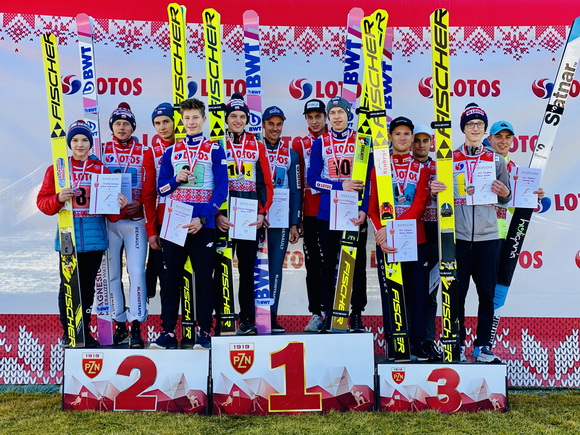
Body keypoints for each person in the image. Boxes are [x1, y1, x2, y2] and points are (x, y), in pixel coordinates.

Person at [37, 120, 128, 348]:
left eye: (84, 140)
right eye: (75, 140)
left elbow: (112, 216)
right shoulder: (58, 169)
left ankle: (84, 332)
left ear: (90, 143)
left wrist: (120, 205)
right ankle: (69, 333)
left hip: (94, 239)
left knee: (87, 288)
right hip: (68, 238)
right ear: (69, 143)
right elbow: (43, 204)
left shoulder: (100, 169)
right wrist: (58, 198)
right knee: (68, 287)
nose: (80, 144)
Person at [151, 98, 228, 349]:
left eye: (195, 117)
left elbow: (222, 190)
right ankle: (167, 332)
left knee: (204, 278)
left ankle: (204, 331)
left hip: (202, 224)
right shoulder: (171, 151)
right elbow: (161, 190)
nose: (191, 122)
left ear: (204, 119)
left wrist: (203, 218)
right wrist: (176, 179)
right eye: (187, 118)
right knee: (170, 279)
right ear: (181, 121)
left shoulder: (215, 149)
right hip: (176, 222)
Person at [367, 116, 436, 360]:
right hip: (387, 243)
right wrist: (381, 233)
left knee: (418, 295)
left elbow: (418, 207)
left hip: (415, 241)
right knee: (391, 295)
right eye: (398, 133)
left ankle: (416, 344)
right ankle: (394, 343)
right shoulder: (379, 168)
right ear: (390, 137)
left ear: (412, 137)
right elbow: (372, 208)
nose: (403, 138)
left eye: (407, 133)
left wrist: (391, 228)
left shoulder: (423, 169)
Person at [451, 103, 512, 363]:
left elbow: (506, 198)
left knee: (486, 294)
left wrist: (504, 193)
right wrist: (437, 190)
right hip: (459, 237)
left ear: (485, 129)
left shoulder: (496, 159)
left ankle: (483, 347)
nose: (475, 128)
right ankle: (455, 345)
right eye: (470, 124)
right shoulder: (450, 158)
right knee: (457, 295)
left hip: (488, 237)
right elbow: (441, 198)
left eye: (479, 124)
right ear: (463, 128)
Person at [307, 96, 369, 333]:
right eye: (332, 113)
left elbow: (370, 180)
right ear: (328, 117)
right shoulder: (320, 143)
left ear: (347, 115)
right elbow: (312, 180)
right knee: (328, 265)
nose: (336, 117)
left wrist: (365, 210)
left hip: (354, 212)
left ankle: (356, 314)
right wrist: (339, 185)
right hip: (328, 213)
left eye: (340, 112)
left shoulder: (361, 141)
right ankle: (329, 314)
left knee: (357, 264)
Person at [215, 93, 274, 335]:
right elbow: (211, 182)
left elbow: (266, 182)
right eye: (233, 116)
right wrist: (217, 214)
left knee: (247, 271)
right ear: (226, 119)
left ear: (247, 119)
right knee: (221, 269)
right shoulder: (217, 143)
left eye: (242, 116)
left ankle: (246, 320)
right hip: (224, 216)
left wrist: (262, 212)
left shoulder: (256, 144)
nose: (238, 120)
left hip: (249, 215)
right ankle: (222, 318)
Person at [101, 102, 157, 348]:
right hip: (110, 222)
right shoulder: (101, 150)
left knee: (136, 272)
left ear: (133, 127)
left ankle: (136, 326)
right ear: (112, 127)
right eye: (117, 124)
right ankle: (119, 325)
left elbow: (151, 188)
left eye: (126, 124)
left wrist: (141, 206)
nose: (122, 127)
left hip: (134, 222)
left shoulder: (145, 151)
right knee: (112, 275)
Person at [262, 106, 301, 333]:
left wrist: (294, 222)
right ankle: (251, 316)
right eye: (271, 124)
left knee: (275, 267)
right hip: (256, 217)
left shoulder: (291, 154)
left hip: (280, 219)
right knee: (254, 268)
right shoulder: (254, 148)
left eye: (279, 124)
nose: (275, 128)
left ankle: (272, 316)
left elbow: (296, 190)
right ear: (263, 125)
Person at [292, 99, 327, 332]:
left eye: (318, 116)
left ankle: (341, 312)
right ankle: (316, 312)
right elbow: (297, 182)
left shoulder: (337, 140)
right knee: (313, 265)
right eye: (310, 117)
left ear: (325, 117)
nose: (314, 121)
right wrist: (297, 218)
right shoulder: (300, 143)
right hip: (311, 212)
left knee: (336, 263)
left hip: (336, 211)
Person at [411, 124, 443, 361]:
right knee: (410, 289)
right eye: (417, 140)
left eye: (425, 141)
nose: (421, 145)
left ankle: (428, 340)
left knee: (431, 290)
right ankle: (408, 340)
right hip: (409, 232)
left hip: (434, 233)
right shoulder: (402, 166)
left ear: (431, 143)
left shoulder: (439, 167)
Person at [144, 103, 175, 301]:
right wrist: (151, 231)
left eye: (166, 121)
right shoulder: (152, 152)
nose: (162, 127)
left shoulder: (191, 146)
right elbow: (148, 195)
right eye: (157, 123)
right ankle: (168, 320)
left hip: (191, 219)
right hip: (164, 221)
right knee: (166, 279)